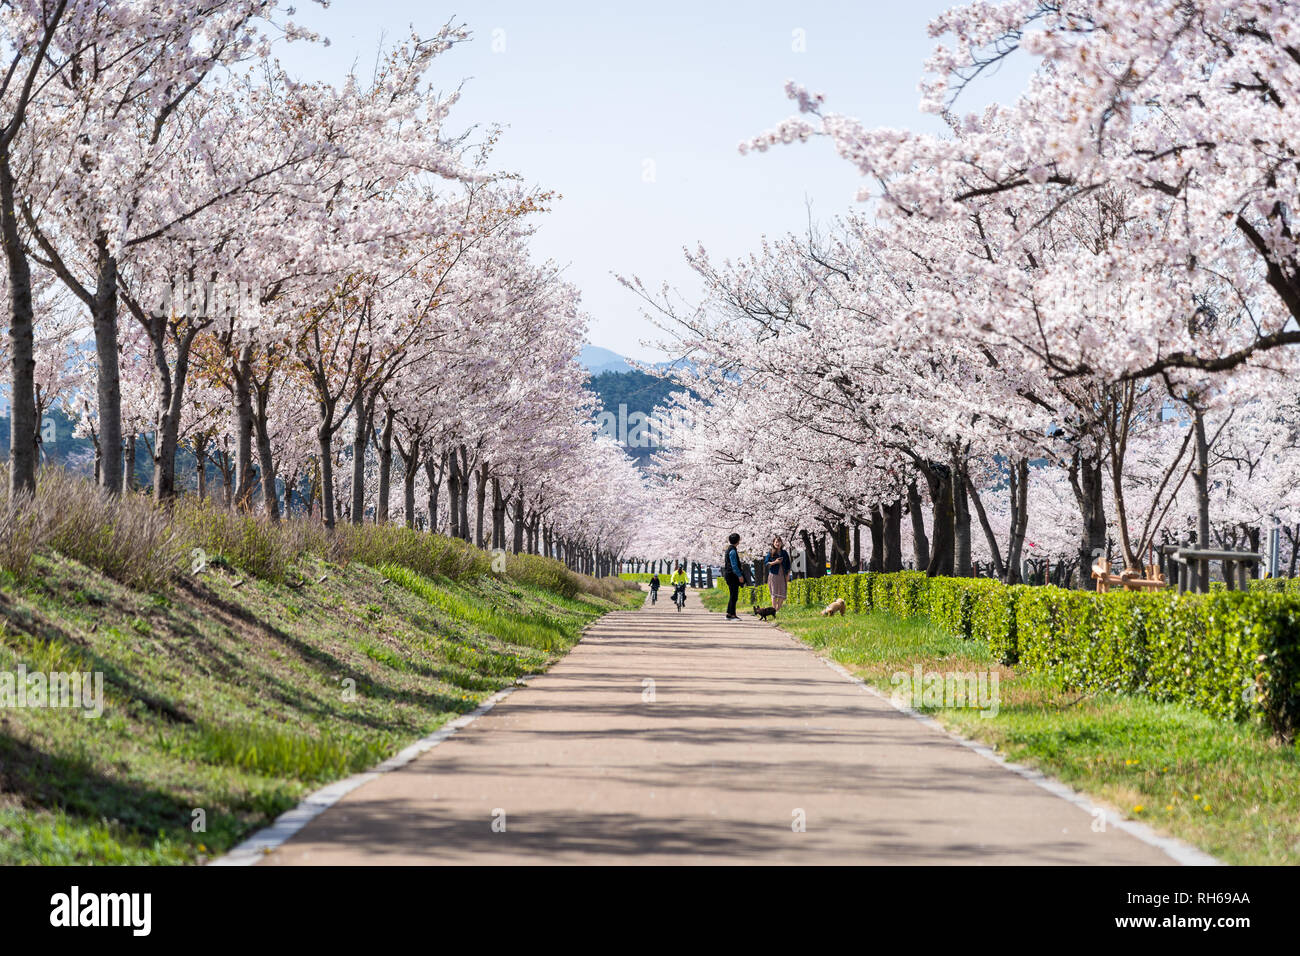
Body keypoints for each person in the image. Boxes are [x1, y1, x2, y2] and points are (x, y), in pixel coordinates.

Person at [765, 536, 791, 610]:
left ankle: (777, 609)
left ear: (781, 543)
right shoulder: (770, 553)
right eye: (776, 542)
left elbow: (788, 565)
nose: (778, 543)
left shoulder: (784, 553)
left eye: (779, 542)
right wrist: (775, 562)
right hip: (773, 574)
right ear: (773, 543)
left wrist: (788, 575)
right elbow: (766, 563)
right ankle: (774, 609)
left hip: (783, 574)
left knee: (782, 592)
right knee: (774, 592)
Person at [723, 532, 744, 620]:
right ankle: (732, 614)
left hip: (729, 574)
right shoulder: (732, 551)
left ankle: (729, 613)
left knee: (733, 595)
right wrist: (740, 575)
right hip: (732, 575)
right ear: (738, 541)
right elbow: (734, 565)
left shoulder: (730, 549)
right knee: (734, 595)